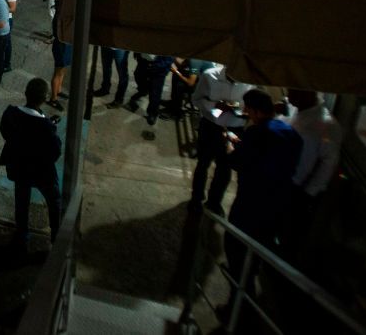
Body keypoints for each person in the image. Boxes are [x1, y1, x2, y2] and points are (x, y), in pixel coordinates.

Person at [223, 89, 303, 325]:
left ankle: (239, 306)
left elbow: (237, 162)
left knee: (235, 249)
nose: (246, 113)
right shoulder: (291, 132)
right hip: (278, 204)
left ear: (257, 111)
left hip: (250, 203)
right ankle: (248, 294)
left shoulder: (257, 132)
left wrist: (231, 148)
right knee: (258, 250)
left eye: (248, 110)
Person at [279, 88, 342, 261]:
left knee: (290, 231)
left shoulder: (326, 124)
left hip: (297, 187)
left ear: (308, 93)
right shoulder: (293, 110)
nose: (289, 97)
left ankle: (281, 268)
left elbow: (328, 163)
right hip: (279, 178)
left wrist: (308, 193)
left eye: (293, 93)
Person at [0, 78, 62, 250]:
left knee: (22, 200)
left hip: (19, 167)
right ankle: (56, 235)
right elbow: (55, 151)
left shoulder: (10, 114)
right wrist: (51, 127)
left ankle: (22, 235)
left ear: (26, 94)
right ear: (44, 98)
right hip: (41, 172)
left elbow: (6, 133)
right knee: (54, 199)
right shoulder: (46, 126)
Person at [189, 64, 256, 215]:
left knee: (225, 168)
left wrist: (241, 111)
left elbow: (249, 106)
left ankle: (214, 201)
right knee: (203, 163)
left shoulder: (249, 81)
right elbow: (195, 99)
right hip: (211, 126)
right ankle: (196, 198)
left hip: (235, 128)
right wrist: (214, 105)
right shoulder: (209, 75)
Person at [129, 53, 175, 127]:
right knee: (138, 77)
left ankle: (152, 113)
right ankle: (143, 91)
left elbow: (170, 58)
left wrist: (156, 66)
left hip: (159, 66)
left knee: (155, 93)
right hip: (143, 62)